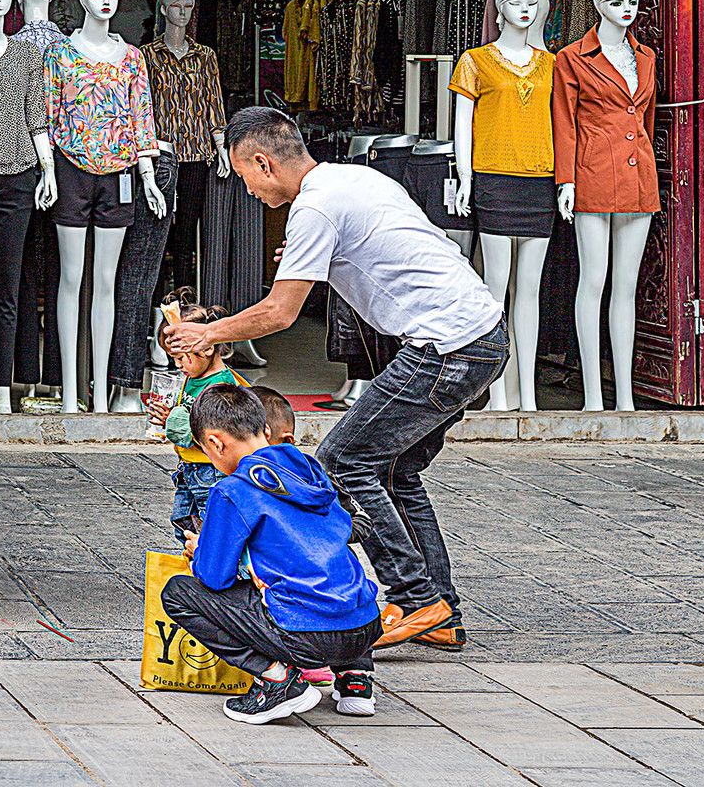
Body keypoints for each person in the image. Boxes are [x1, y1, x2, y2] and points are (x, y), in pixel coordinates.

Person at [166, 106, 509, 651]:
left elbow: (279, 313)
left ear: (263, 162)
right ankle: (437, 609)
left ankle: (418, 601)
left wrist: (208, 334)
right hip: (480, 336)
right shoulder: (352, 179)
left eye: (246, 176)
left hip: (444, 348)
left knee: (341, 464)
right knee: (393, 470)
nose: (248, 190)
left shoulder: (314, 209)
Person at [161, 384, 383, 724]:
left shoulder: (231, 490)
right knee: (330, 568)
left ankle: (277, 681)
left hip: (309, 638)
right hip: (366, 626)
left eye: (206, 449)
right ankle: (356, 679)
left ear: (216, 443)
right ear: (265, 429)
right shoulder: (310, 468)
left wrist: (201, 547)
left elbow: (214, 577)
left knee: (178, 594)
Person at [252, 384, 372, 691]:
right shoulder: (249, 480)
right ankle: (326, 668)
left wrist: (330, 537)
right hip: (324, 606)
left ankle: (353, 676)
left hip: (324, 590)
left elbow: (362, 521)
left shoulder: (318, 477)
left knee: (344, 572)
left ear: (281, 440)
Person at [149, 287, 239, 542]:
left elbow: (211, 432)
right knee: (185, 526)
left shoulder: (219, 386)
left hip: (210, 471)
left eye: (180, 357)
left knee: (209, 530)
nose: (177, 365)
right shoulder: (194, 376)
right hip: (190, 468)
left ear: (207, 348)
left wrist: (172, 422)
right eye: (173, 358)